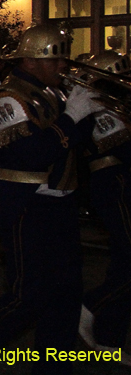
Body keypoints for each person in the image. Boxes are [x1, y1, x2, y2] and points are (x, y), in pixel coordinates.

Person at [0, 24, 99, 375]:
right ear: (32, 61)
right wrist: (72, 117)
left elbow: (81, 142)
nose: (64, 65)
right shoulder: (7, 97)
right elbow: (28, 153)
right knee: (29, 293)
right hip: (26, 202)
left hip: (61, 201)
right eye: (57, 58)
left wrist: (87, 112)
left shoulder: (53, 93)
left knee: (65, 294)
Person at [76, 51, 131, 366]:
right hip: (114, 184)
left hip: (120, 182)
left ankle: (109, 339)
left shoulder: (114, 104)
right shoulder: (98, 106)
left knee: (124, 263)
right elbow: (123, 146)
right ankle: (92, 305)